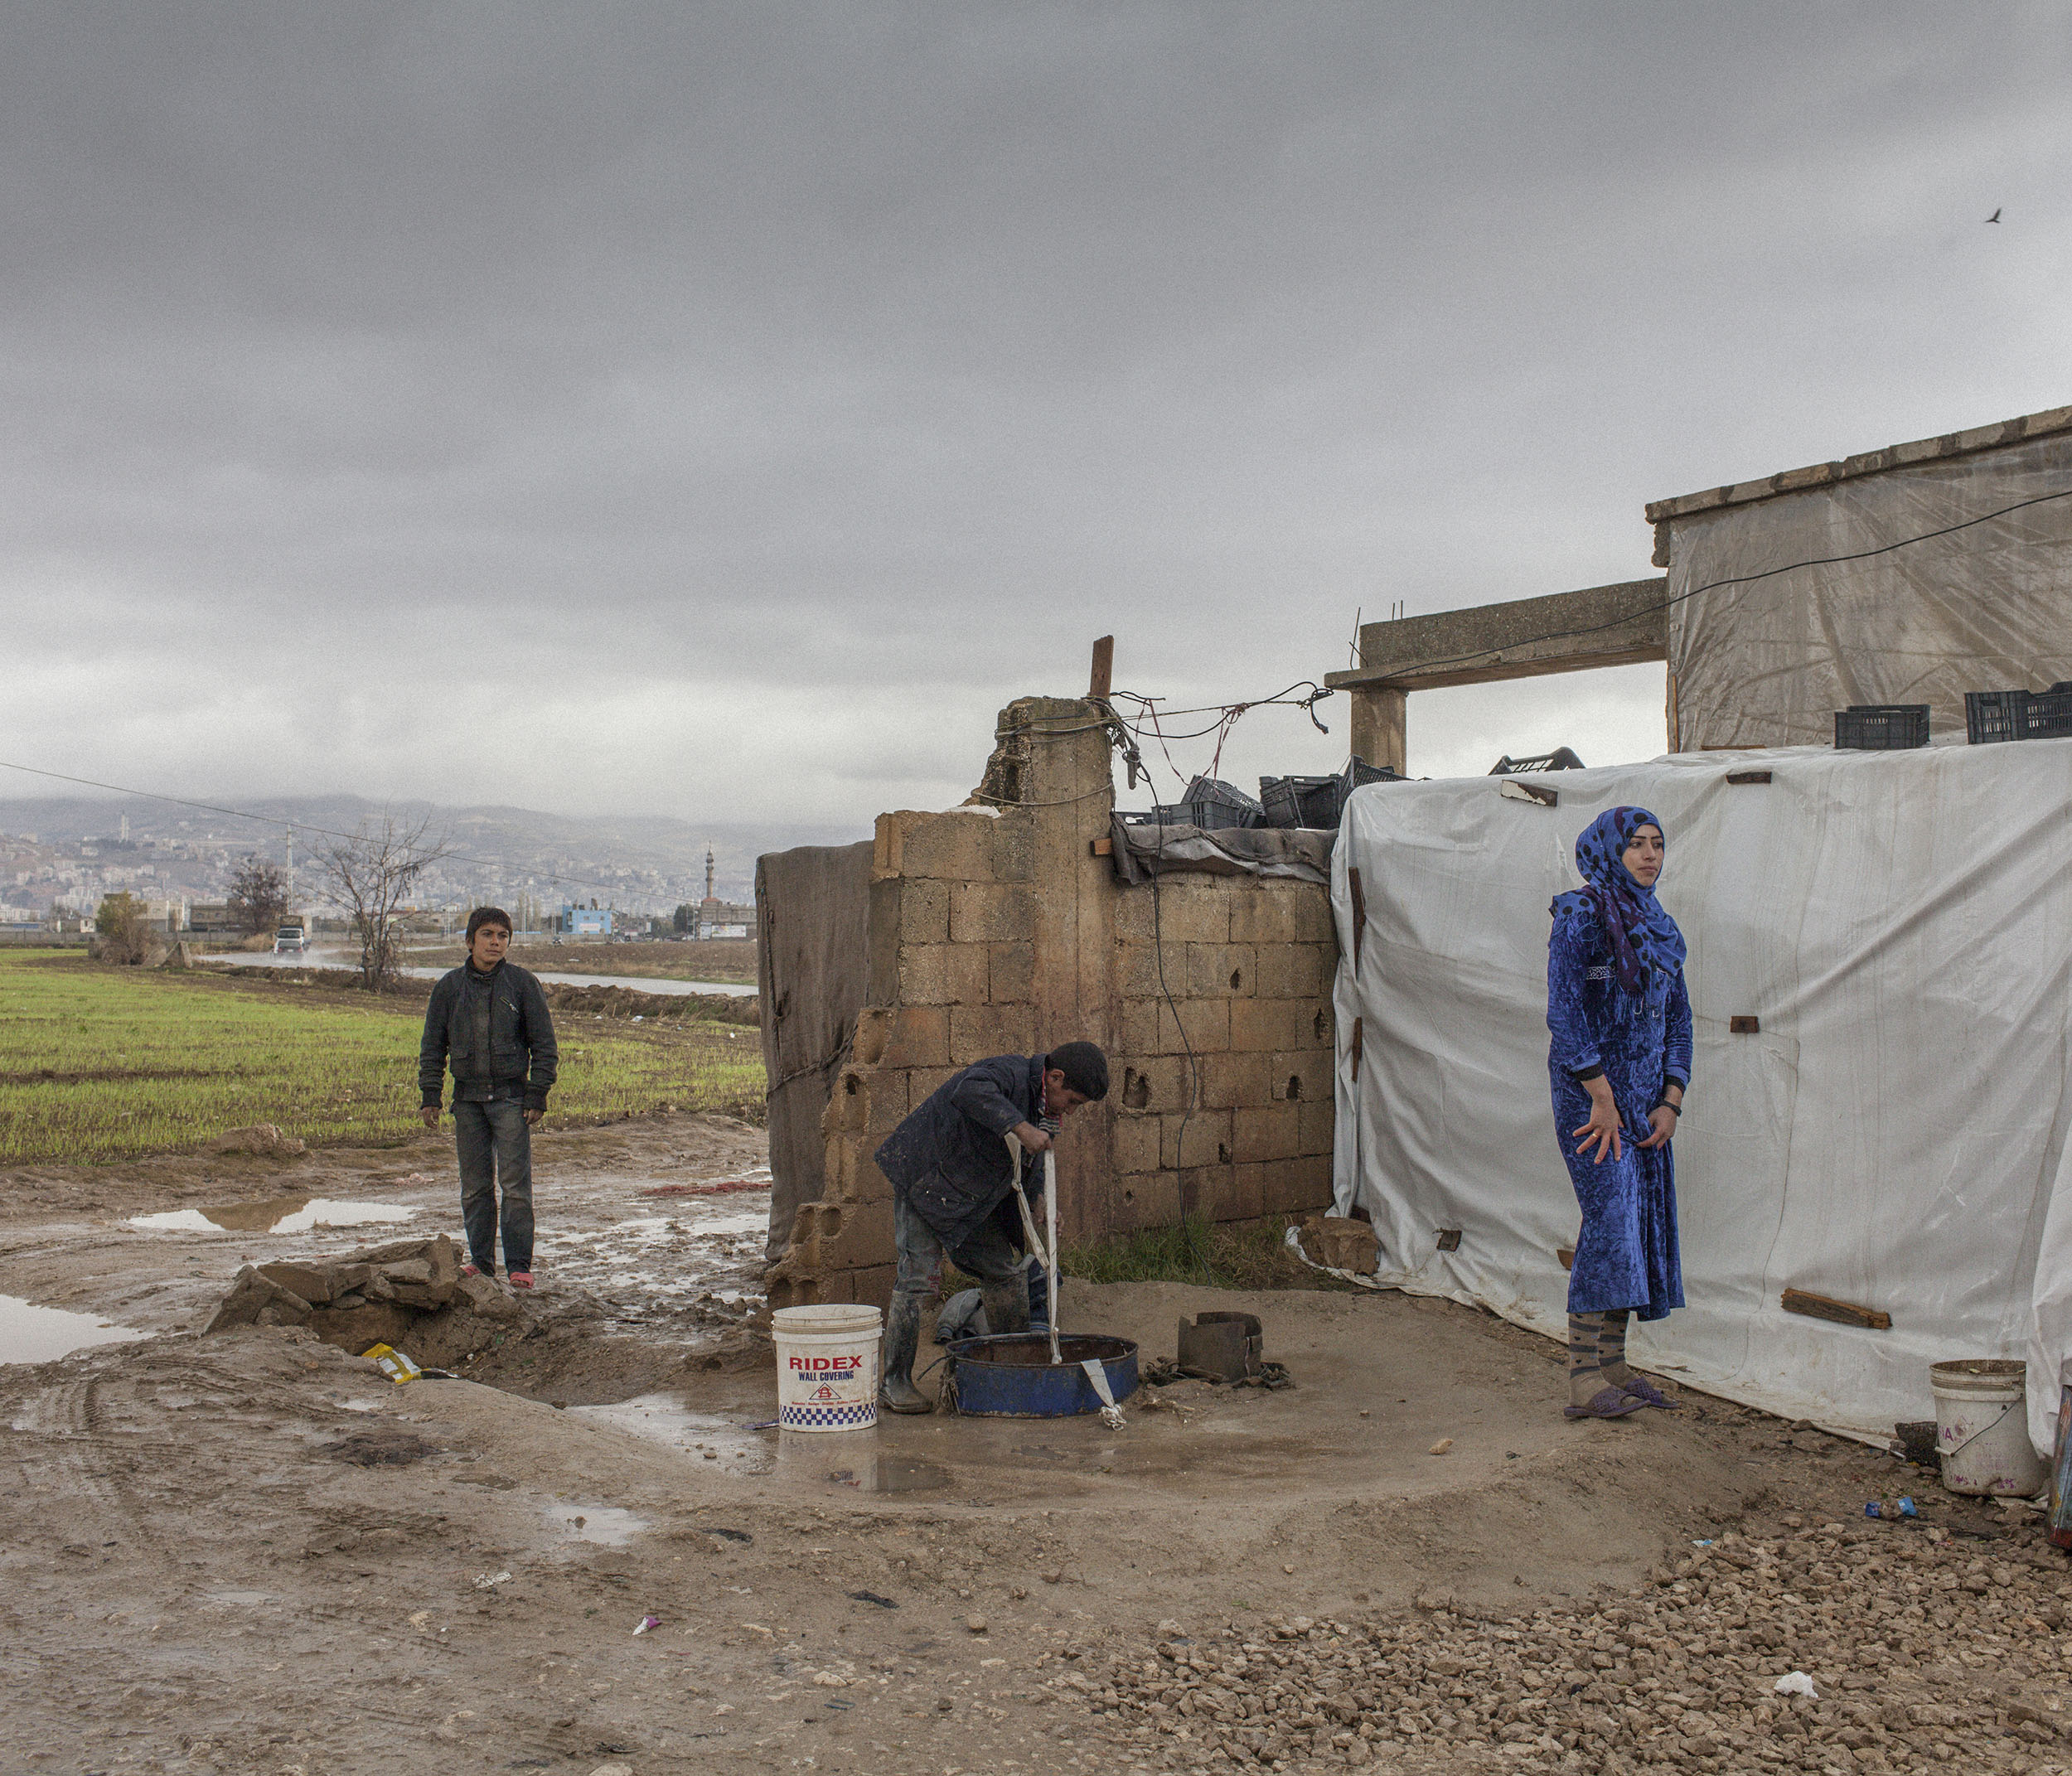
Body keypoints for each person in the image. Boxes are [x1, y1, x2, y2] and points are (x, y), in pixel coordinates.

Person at [872, 1042, 1111, 1414]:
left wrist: (1040, 1205)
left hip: (971, 1199)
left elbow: (1032, 1165)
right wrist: (1020, 1127)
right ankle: (895, 1382)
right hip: (926, 1181)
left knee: (1004, 1273)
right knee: (916, 1278)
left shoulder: (1048, 1112)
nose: (1072, 1111)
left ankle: (1009, 1365)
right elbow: (969, 1089)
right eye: (1074, 1101)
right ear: (1055, 1077)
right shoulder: (1008, 1073)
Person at [1547, 806, 1691, 1420]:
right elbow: (1565, 1012)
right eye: (1636, 844)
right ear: (1610, 850)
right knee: (1609, 1219)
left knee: (1636, 1224)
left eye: (1657, 844)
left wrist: (1670, 1101)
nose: (1650, 855)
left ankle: (1613, 1363)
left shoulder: (1659, 926)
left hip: (1644, 1105)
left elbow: (1679, 1019)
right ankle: (1582, 1377)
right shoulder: (1581, 915)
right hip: (1591, 1101)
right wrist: (1602, 1096)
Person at [418, 907, 559, 1289]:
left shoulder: (522, 985)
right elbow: (433, 1045)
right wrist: (431, 1093)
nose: (496, 942)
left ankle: (518, 1265)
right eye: (488, 935)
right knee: (475, 1187)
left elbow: (544, 1045)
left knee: (515, 1187)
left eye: (503, 936)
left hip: (512, 1100)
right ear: (469, 941)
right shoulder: (449, 988)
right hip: (468, 1103)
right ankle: (481, 1263)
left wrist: (538, 1093)